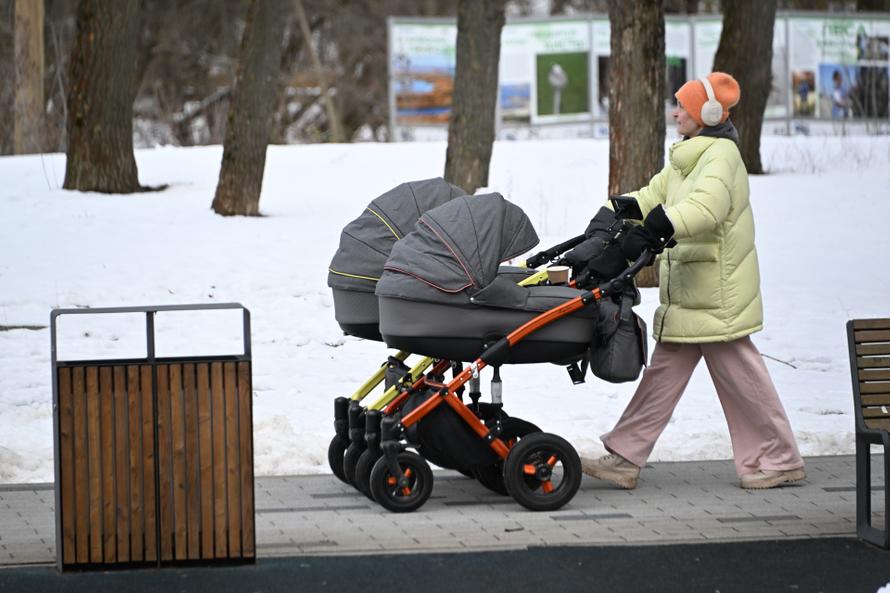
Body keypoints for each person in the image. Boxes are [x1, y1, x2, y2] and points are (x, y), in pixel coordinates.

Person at [580, 72, 806, 491]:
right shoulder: (688, 157)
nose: (675, 113)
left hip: (718, 292)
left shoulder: (722, 156)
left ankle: (780, 459)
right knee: (661, 378)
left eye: (682, 106)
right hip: (692, 291)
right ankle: (625, 457)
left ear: (708, 113)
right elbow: (655, 194)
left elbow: (706, 207)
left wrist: (658, 227)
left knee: (745, 380)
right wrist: (618, 209)